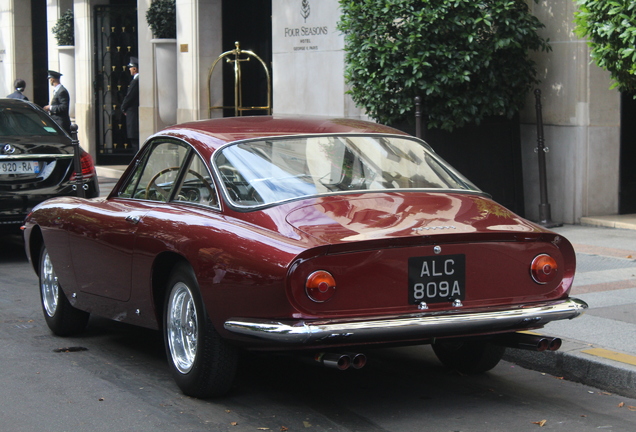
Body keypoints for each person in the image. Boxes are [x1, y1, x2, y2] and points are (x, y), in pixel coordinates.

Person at [121, 57, 139, 149]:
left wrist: (123, 107)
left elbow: (129, 96)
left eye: (130, 67)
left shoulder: (135, 81)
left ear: (135, 69)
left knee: (135, 141)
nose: (129, 69)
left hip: (133, 114)